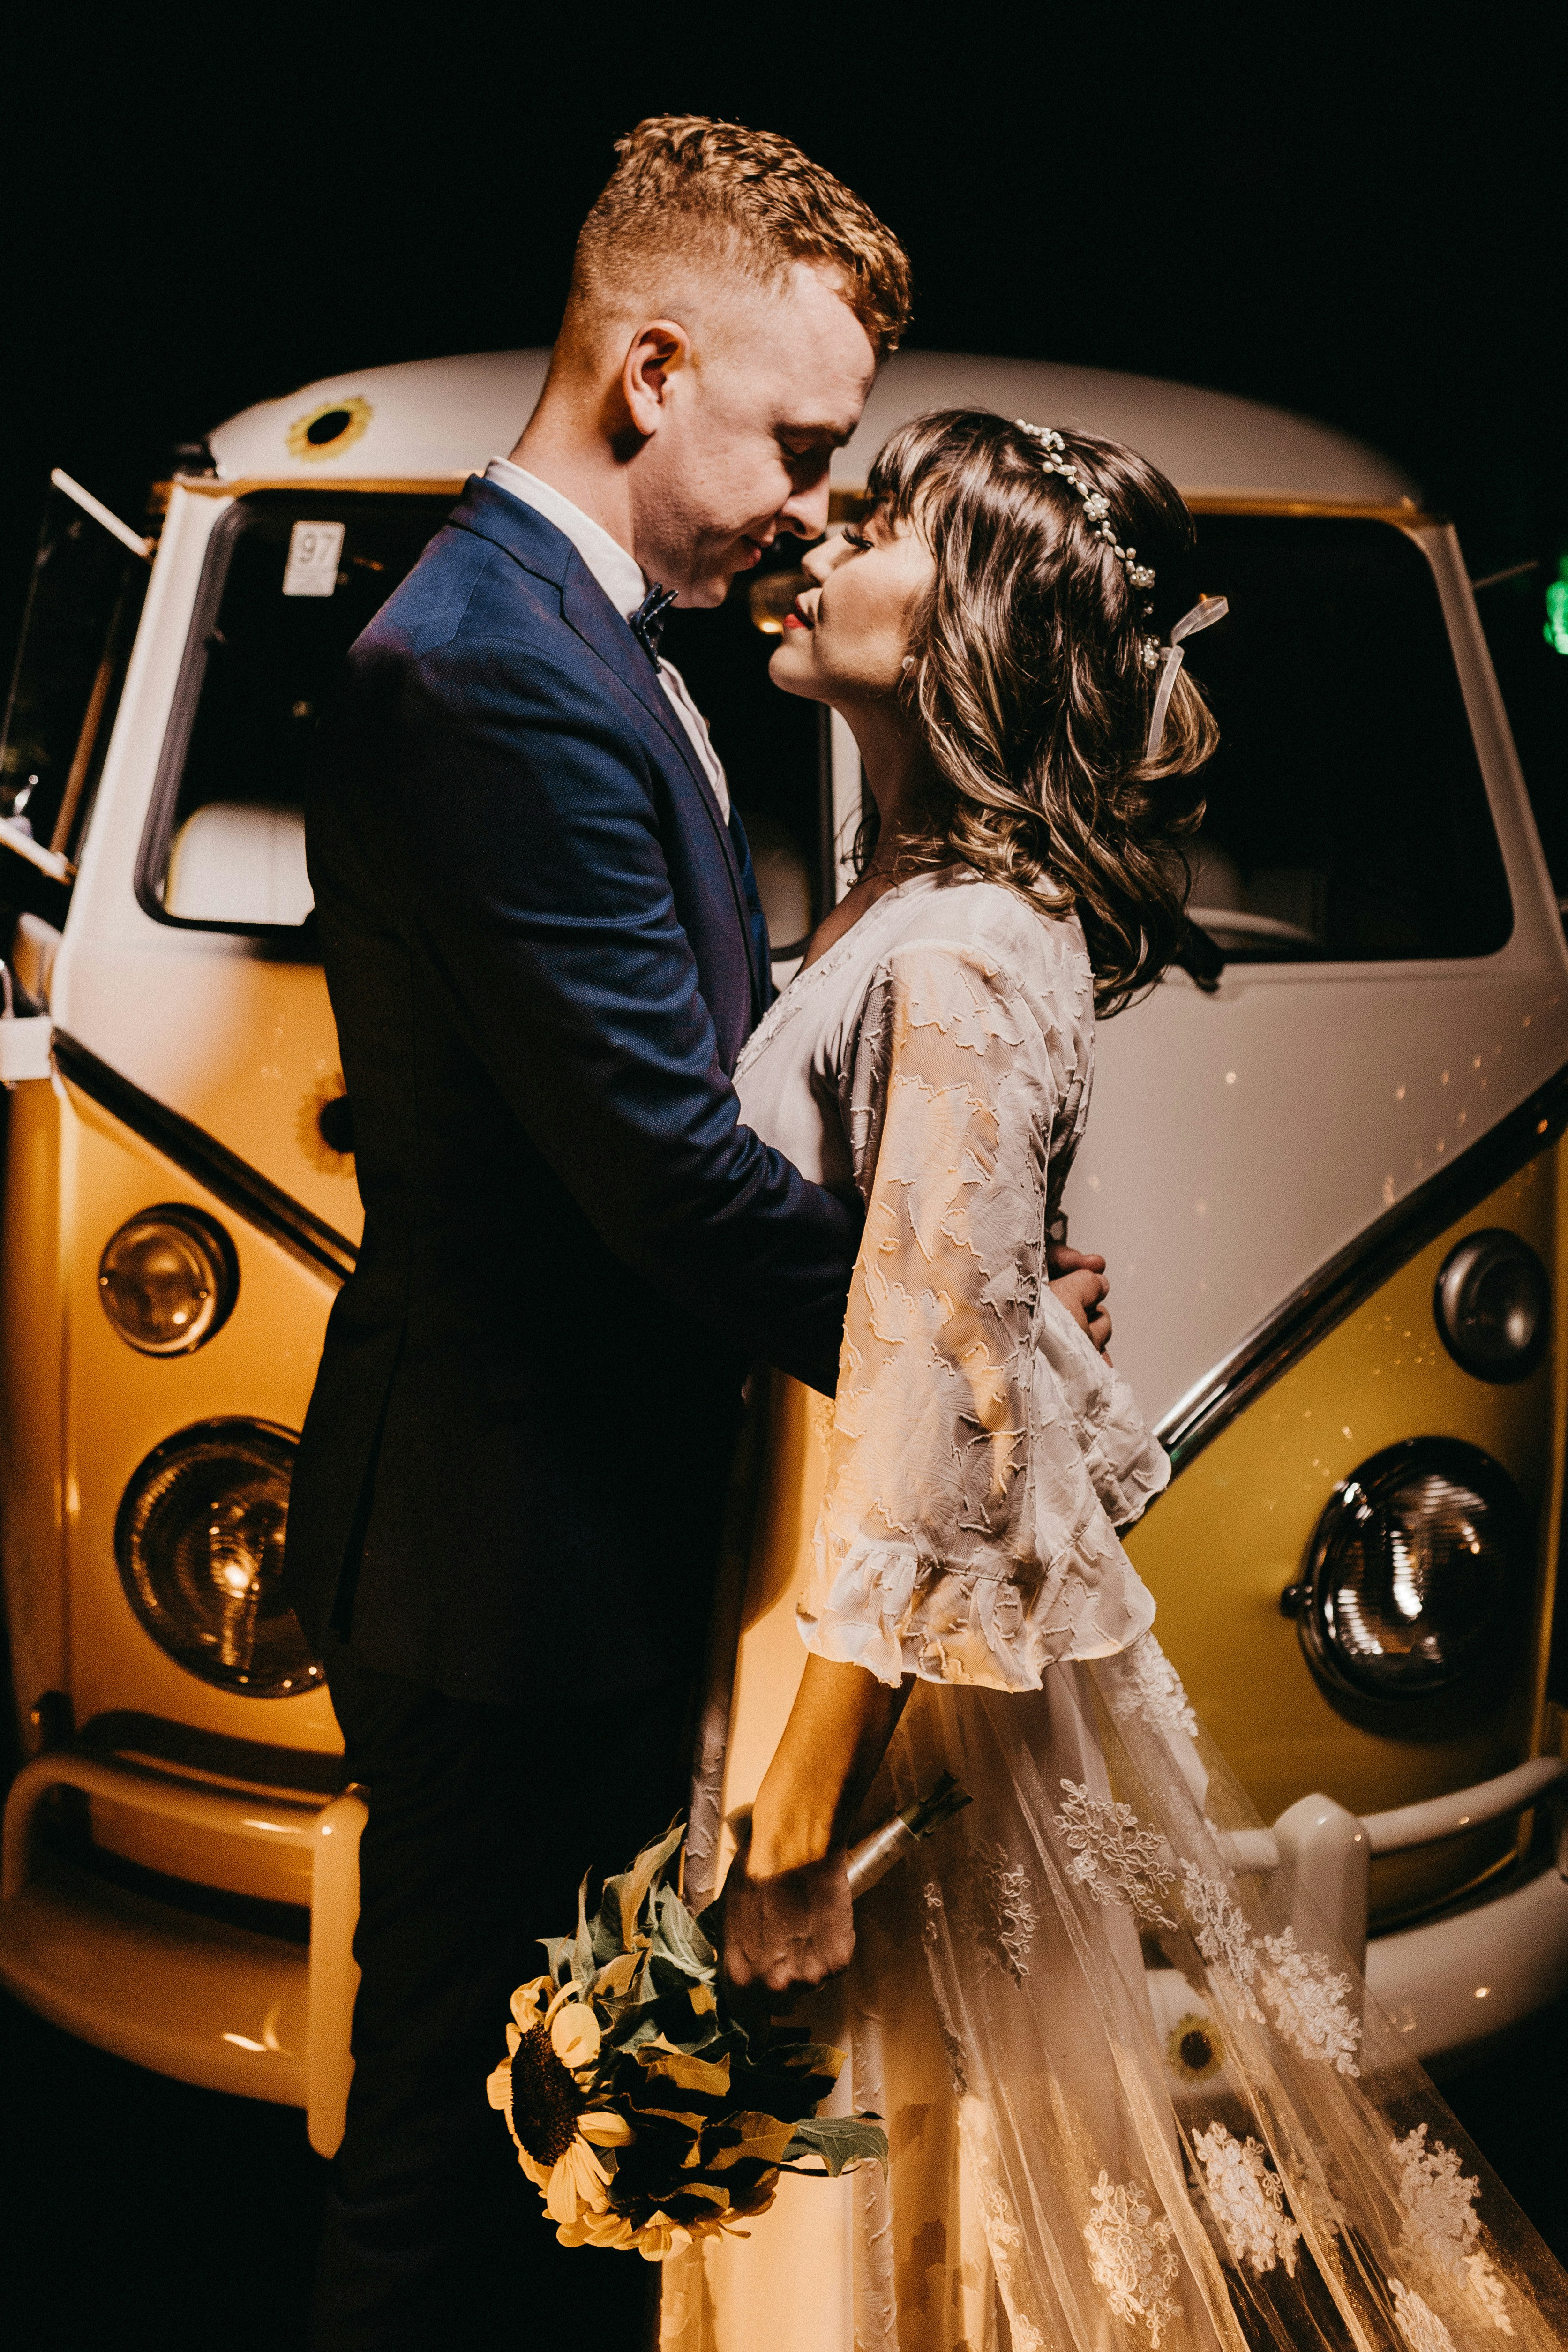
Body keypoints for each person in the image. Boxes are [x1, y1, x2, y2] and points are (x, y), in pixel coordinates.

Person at [660, 411, 1568, 2349]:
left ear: (969, 622)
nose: (816, 536)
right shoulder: (914, 907)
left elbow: (929, 1404)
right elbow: (959, 1294)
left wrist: (801, 1818)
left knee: (875, 2191)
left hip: (856, 1649)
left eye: (885, 522)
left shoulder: (963, 954)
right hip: (817, 1600)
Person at [280, 117, 923, 2349]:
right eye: (801, 440)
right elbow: (657, 1157)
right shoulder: (485, 667)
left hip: (584, 1535)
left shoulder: (577, 632)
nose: (823, 500)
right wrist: (958, 1325)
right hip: (504, 1560)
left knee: (582, 2142)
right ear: (652, 370)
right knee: (452, 2174)